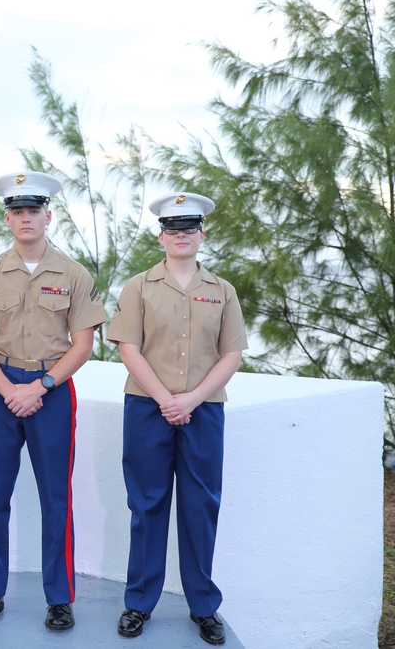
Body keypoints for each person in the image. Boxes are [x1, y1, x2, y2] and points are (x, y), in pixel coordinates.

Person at [0, 171, 106, 631]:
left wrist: (39, 388)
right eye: (17, 212)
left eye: (33, 211)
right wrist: (9, 391)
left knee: (55, 497)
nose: (25, 219)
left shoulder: (74, 275)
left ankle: (59, 598)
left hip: (52, 390)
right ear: (7, 218)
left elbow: (83, 345)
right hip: (2, 388)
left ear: (48, 216)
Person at [106, 193, 247, 646]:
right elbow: (129, 348)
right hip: (149, 407)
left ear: (202, 234)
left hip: (204, 409)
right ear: (160, 235)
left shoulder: (222, 290)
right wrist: (168, 399)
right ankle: (139, 602)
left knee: (200, 507)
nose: (181, 235)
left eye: (189, 228)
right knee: (146, 505)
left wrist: (192, 400)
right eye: (173, 228)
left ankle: (203, 606)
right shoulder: (139, 287)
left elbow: (232, 354)